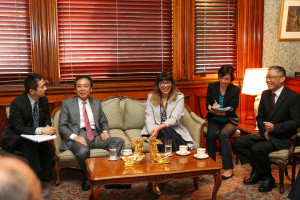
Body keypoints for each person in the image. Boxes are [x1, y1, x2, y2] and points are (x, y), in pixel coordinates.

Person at [235, 66, 300, 192]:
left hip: (284, 137)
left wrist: (276, 128)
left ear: (282, 79)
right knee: (239, 142)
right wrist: (264, 131)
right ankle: (262, 174)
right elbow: (260, 117)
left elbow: (296, 121)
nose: (267, 80)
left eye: (271, 77)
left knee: (257, 149)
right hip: (266, 134)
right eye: (267, 77)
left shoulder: (292, 97)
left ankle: (265, 178)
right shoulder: (265, 94)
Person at [59, 75, 127, 191]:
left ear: (91, 89)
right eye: (79, 86)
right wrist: (76, 138)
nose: (82, 89)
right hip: (77, 137)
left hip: (95, 136)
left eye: (86, 86)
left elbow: (103, 121)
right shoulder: (67, 103)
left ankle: (114, 177)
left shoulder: (96, 103)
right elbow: (62, 126)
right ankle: (88, 177)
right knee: (82, 151)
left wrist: (105, 131)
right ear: (75, 89)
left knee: (119, 141)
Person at [1, 73, 56, 184]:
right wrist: (41, 130)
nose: (46, 88)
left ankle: (42, 178)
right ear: (32, 91)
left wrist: (47, 128)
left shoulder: (43, 100)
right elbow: (19, 128)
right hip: (15, 137)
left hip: (35, 136)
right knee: (30, 145)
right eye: (42, 86)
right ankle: (33, 179)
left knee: (50, 149)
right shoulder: (17, 104)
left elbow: (47, 118)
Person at [141, 72, 194, 152]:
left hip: (173, 129)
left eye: (167, 82)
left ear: (172, 84)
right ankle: (177, 159)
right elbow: (149, 117)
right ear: (157, 85)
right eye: (162, 83)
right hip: (154, 129)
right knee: (169, 136)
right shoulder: (151, 97)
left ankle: (163, 161)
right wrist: (153, 131)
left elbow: (174, 118)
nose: (165, 86)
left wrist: (159, 128)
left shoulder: (179, 97)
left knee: (166, 133)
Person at [205, 65, 240, 180]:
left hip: (229, 119)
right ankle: (211, 166)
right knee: (211, 134)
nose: (224, 81)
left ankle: (228, 168)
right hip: (215, 118)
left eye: (227, 79)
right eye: (222, 78)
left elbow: (233, 108)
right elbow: (208, 103)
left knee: (222, 135)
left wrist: (221, 112)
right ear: (219, 76)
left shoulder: (235, 89)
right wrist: (211, 108)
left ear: (231, 79)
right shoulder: (212, 86)